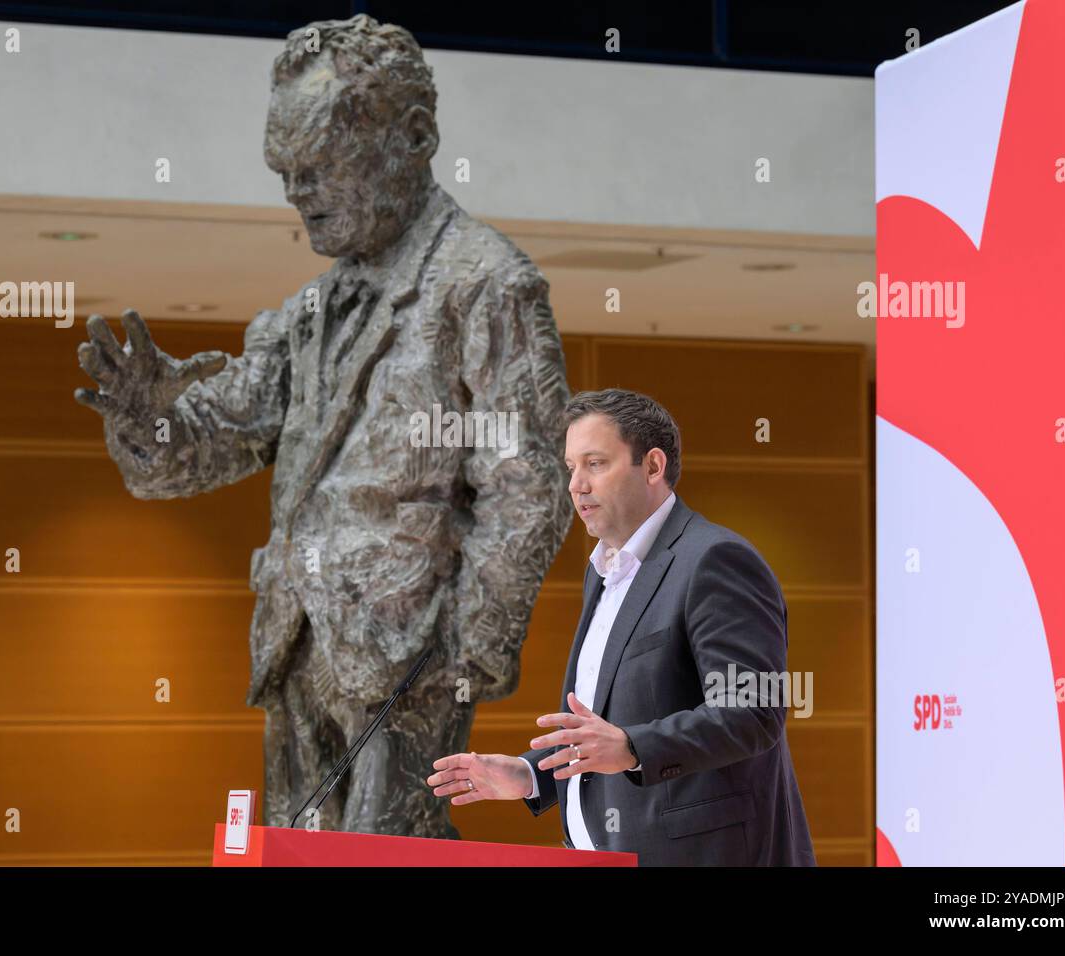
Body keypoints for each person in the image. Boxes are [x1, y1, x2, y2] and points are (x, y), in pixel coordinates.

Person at [74, 14, 571, 838]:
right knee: (297, 853)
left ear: (412, 138)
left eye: (320, 166)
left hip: (409, 654)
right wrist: (147, 418)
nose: (298, 191)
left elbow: (529, 486)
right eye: (285, 171)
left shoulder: (485, 284)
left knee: (390, 856)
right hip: (297, 646)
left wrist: (462, 657)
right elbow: (210, 442)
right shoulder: (309, 312)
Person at [427, 388, 815, 865]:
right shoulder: (604, 572)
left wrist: (632, 747)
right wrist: (532, 776)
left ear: (652, 466)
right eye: (572, 467)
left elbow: (753, 712)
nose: (576, 485)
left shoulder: (714, 560)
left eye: (595, 463)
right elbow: (607, 734)